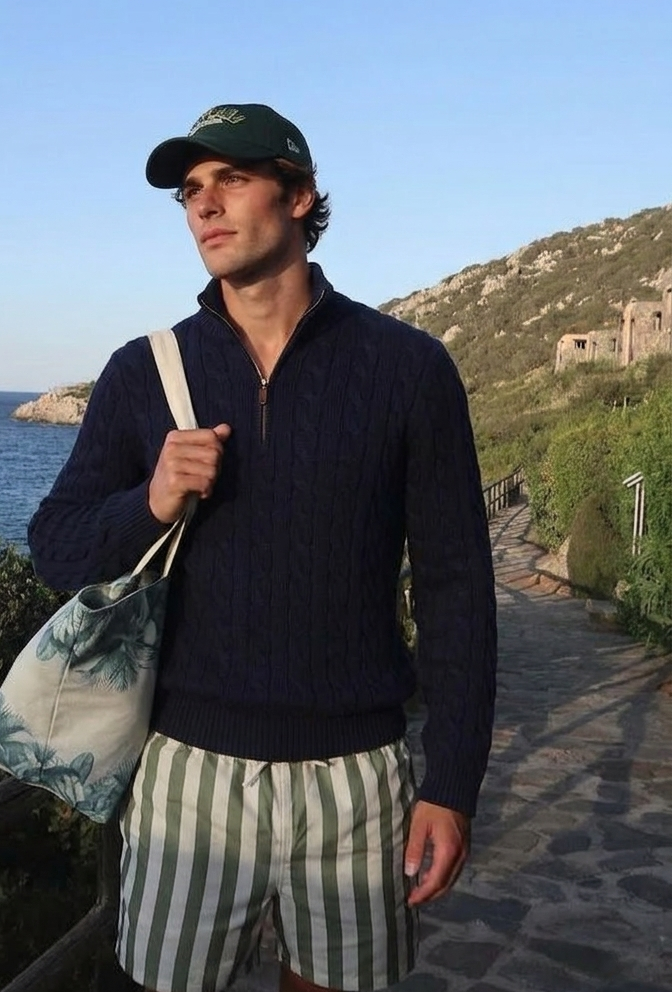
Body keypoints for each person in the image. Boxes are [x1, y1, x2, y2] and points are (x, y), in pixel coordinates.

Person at [28, 103, 497, 992]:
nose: (203, 206)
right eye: (189, 192)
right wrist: (151, 500)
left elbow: (456, 588)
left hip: (358, 783)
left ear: (299, 195)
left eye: (230, 180)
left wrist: (454, 781)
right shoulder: (143, 371)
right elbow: (57, 547)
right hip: (187, 780)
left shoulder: (408, 369)